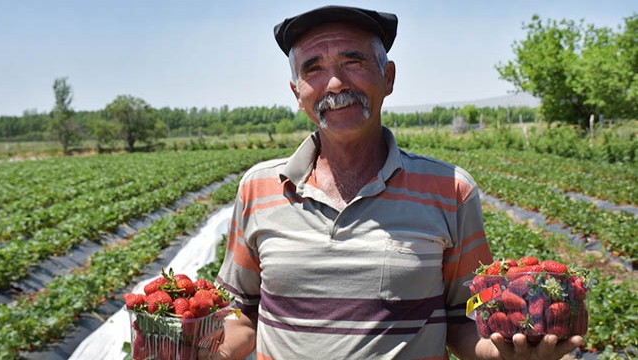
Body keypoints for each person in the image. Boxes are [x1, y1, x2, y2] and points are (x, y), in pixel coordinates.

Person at [212, 5, 584, 360]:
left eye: (353, 61)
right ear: (297, 93)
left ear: (387, 77)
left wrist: (506, 351)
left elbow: (466, 319)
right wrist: (205, 351)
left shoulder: (451, 190)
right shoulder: (258, 187)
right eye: (313, 68)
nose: (336, 82)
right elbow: (240, 314)